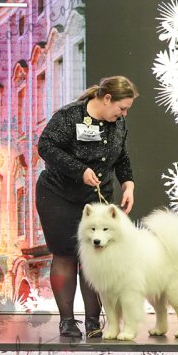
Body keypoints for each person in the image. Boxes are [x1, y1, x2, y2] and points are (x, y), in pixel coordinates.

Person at [35, 75, 137, 339]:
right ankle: (67, 321)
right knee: (65, 255)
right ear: (106, 99)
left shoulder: (118, 122)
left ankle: (93, 322)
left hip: (96, 197)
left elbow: (122, 157)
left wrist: (128, 184)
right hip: (58, 195)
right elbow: (46, 146)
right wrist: (79, 170)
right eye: (122, 108)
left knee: (95, 257)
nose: (124, 114)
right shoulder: (70, 116)